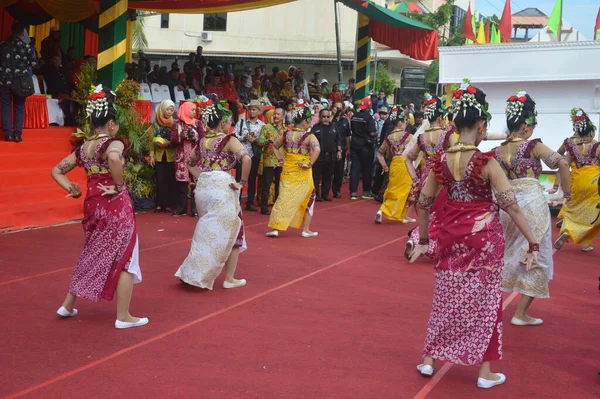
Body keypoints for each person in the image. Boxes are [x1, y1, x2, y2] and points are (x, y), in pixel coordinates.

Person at [409, 80, 539, 389]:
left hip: (449, 238)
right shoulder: (485, 162)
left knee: (445, 298)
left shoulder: (441, 162)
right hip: (483, 243)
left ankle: (429, 359)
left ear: (453, 122)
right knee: (487, 305)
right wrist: (533, 242)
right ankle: (484, 373)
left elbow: (422, 204)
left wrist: (425, 240)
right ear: (481, 124)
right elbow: (512, 208)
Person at [51, 86, 147, 329]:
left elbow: (57, 170)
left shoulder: (83, 148)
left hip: (93, 204)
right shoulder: (113, 144)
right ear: (112, 124)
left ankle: (68, 304)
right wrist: (118, 184)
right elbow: (114, 159)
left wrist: (70, 187)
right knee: (125, 256)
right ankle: (123, 316)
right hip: (114, 205)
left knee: (92, 252)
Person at [492, 91, 571, 326]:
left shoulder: (498, 150)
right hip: (532, 205)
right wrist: (565, 194)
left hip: (507, 207)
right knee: (537, 254)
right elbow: (563, 162)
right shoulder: (532, 146)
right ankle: (520, 313)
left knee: (509, 253)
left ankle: (495, 305)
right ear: (526, 128)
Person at [175, 99, 251, 289]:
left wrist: (203, 176)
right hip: (222, 188)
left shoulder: (202, 141)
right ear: (224, 123)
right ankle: (228, 278)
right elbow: (246, 158)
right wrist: (242, 182)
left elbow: (190, 162)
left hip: (203, 189)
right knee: (234, 232)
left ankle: (191, 271)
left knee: (205, 231)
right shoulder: (229, 140)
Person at [404, 94, 456, 259]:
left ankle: (418, 239)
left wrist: (415, 179)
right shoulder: (447, 135)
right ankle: (424, 241)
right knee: (440, 215)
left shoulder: (422, 137)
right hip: (442, 177)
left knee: (427, 212)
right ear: (440, 117)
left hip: (426, 176)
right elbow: (457, 153)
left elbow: (408, 158)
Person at [266, 101, 320, 238]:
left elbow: (275, 146)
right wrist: (309, 164)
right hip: (303, 171)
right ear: (304, 123)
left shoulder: (286, 134)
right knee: (309, 198)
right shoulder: (309, 136)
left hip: (288, 168)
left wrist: (280, 159)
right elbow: (317, 149)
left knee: (283, 197)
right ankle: (306, 229)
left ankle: (275, 228)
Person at [554, 108, 600, 252]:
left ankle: (569, 228)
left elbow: (562, 163)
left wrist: (556, 185)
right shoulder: (597, 146)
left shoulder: (571, 147)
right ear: (592, 133)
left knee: (574, 208)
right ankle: (582, 239)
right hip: (593, 183)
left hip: (576, 181)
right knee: (593, 214)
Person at [0, 23, 37, 142]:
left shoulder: (2, 45)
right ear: (22, 34)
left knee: (6, 106)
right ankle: (17, 135)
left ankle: (8, 134)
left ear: (11, 31)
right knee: (19, 107)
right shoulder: (26, 47)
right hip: (20, 82)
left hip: (4, 80)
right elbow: (34, 64)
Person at [374, 111, 414, 224]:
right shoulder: (409, 136)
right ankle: (384, 209)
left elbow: (379, 153)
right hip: (405, 164)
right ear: (401, 123)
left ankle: (397, 213)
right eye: (405, 122)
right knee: (402, 191)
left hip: (394, 164)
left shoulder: (389, 137)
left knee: (393, 189)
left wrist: (385, 167)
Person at [171, 101, 205, 217]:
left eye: (195, 110)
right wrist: (182, 136)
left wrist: (194, 137)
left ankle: (196, 209)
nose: (194, 112)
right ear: (185, 110)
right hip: (182, 157)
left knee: (196, 183)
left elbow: (203, 139)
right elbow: (173, 140)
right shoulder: (177, 124)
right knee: (182, 184)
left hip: (195, 158)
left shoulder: (198, 123)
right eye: (192, 110)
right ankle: (182, 208)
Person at [234, 99, 265, 211]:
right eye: (250, 109)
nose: (251, 111)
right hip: (241, 154)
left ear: (258, 111)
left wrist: (255, 140)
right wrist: (244, 137)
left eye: (254, 109)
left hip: (254, 155)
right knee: (239, 178)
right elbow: (234, 136)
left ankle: (250, 202)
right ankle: (236, 201)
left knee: (252, 179)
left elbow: (264, 140)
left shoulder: (262, 125)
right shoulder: (241, 123)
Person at [149, 100, 179, 213]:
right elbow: (151, 140)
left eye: (172, 110)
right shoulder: (156, 122)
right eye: (167, 109)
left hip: (171, 154)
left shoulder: (174, 123)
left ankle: (167, 204)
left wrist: (170, 143)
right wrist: (151, 155)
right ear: (162, 109)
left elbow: (177, 138)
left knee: (169, 179)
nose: (170, 112)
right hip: (159, 155)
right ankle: (159, 204)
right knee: (160, 179)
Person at [257, 107, 285, 215]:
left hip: (282, 160)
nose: (276, 116)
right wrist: (267, 141)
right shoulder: (267, 127)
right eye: (275, 114)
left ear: (283, 116)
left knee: (280, 185)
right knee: (266, 185)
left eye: (278, 114)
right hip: (269, 159)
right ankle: (264, 207)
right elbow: (260, 141)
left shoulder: (286, 130)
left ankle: (278, 207)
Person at [349, 97, 378, 200]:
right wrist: (376, 133)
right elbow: (371, 133)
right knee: (367, 169)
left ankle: (353, 193)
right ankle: (366, 191)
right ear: (369, 106)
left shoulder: (354, 116)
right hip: (366, 146)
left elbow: (352, 129)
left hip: (354, 144)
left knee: (355, 168)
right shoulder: (369, 118)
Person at [311, 108, 341, 201]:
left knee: (328, 176)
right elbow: (310, 142)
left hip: (331, 155)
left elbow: (339, 140)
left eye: (328, 116)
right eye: (323, 117)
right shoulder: (315, 128)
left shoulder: (334, 127)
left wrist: (339, 151)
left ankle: (325, 194)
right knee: (316, 177)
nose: (326, 118)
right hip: (319, 156)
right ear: (320, 117)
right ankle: (316, 195)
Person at [332, 101, 351, 198]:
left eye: (340, 108)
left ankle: (336, 190)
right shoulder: (329, 119)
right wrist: (333, 115)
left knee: (339, 171)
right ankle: (324, 191)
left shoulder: (345, 121)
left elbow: (348, 135)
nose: (338, 109)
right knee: (328, 170)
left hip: (342, 147)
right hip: (330, 148)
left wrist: (348, 148)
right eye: (336, 107)